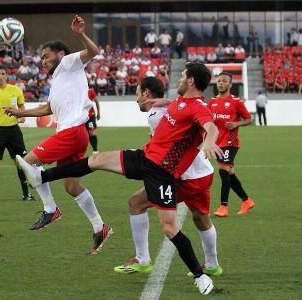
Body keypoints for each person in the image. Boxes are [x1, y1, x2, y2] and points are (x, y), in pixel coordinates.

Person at [15, 63, 223, 295]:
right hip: (146, 157)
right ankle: (41, 175)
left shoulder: (199, 108)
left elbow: (210, 126)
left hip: (162, 173)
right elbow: (180, 106)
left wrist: (211, 140)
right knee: (98, 160)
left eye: (184, 76)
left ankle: (200, 275)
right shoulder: (181, 101)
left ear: (192, 81)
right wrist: (164, 102)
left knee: (169, 227)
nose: (180, 79)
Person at [5, 15, 112, 255]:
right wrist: (19, 112)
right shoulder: (58, 79)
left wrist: (80, 34)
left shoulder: (68, 63)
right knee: (72, 186)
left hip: (72, 131)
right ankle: (99, 226)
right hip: (76, 134)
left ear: (59, 54)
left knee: (29, 161)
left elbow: (93, 51)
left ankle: (50, 209)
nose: (42, 61)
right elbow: (47, 109)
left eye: (45, 56)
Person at [111, 77, 222, 278]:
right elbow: (191, 112)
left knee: (136, 204)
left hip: (181, 176)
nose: (137, 100)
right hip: (202, 173)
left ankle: (142, 260)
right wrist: (168, 102)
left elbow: (193, 127)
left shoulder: (155, 115)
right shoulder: (185, 104)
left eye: (138, 93)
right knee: (200, 218)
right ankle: (213, 264)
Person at [0, 65, 35, 202]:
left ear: (7, 75)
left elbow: (21, 107)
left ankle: (26, 194)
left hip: (14, 130)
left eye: (3, 73)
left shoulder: (15, 90)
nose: (1, 75)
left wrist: (22, 116)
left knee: (21, 163)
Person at [208, 72, 254, 217]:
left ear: (230, 84)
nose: (221, 83)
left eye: (224, 81)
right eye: (219, 80)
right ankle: (246, 200)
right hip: (218, 143)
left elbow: (248, 119)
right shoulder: (212, 102)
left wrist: (236, 123)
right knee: (229, 174)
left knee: (223, 171)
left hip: (231, 142)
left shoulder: (236, 102)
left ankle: (223, 207)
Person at [86, 87, 101, 154]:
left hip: (90, 116)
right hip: (80, 117)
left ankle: (95, 150)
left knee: (91, 133)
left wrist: (98, 113)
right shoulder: (76, 91)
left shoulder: (90, 91)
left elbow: (97, 101)